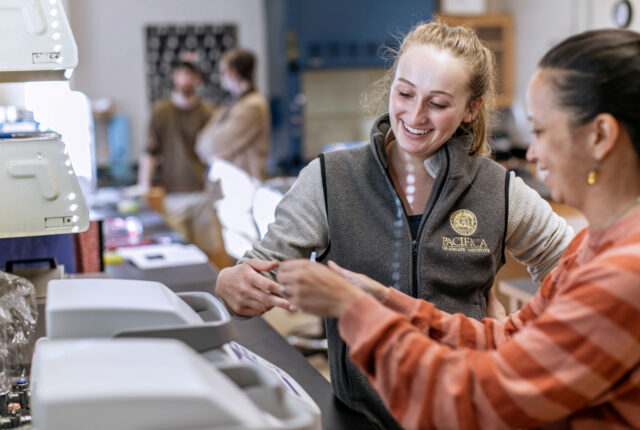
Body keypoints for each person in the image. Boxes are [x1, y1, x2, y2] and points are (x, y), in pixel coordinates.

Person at [215, 21, 574, 428]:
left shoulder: (500, 190)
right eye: (404, 93)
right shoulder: (330, 179)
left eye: (438, 104)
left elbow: (576, 275)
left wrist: (515, 338)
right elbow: (262, 269)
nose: (415, 115)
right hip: (361, 417)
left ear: (471, 108)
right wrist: (232, 283)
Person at [277, 28, 640, 429]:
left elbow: (476, 402)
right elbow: (505, 341)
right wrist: (382, 297)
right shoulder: (593, 246)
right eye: (406, 94)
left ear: (601, 136)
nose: (532, 153)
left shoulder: (624, 271)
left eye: (539, 131)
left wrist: (355, 311)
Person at [135, 60, 228, 268]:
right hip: (173, 195)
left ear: (198, 79)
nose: (185, 79)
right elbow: (150, 151)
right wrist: (144, 188)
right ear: (174, 77)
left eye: (190, 74)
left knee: (210, 251)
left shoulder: (207, 113)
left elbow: (218, 155)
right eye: (181, 74)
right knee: (177, 252)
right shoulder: (161, 111)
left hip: (202, 193)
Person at [196, 49, 270, 181]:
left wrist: (215, 149)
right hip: (231, 187)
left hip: (246, 187)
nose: (221, 76)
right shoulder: (230, 104)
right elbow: (201, 145)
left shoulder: (252, 106)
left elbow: (215, 146)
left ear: (232, 72)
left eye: (223, 71)